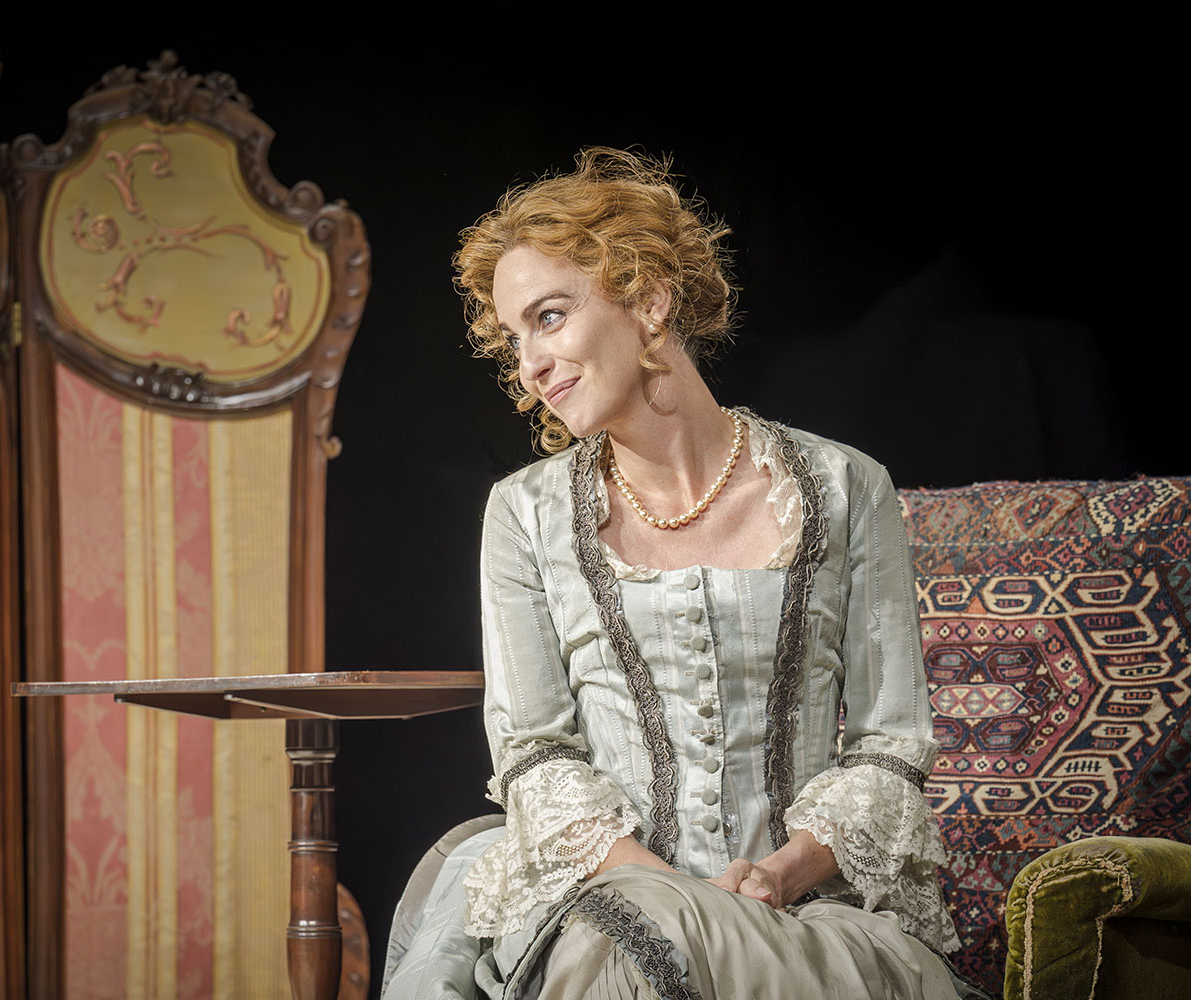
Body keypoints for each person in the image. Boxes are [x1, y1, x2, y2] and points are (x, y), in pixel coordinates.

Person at [382, 149, 977, 1000]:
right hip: (600, 902)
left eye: (549, 318)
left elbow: (888, 744)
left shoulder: (847, 488)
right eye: (515, 339)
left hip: (801, 909)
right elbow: (534, 754)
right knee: (615, 953)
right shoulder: (526, 513)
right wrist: (668, 897)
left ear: (649, 300)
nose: (530, 364)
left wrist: (773, 878)